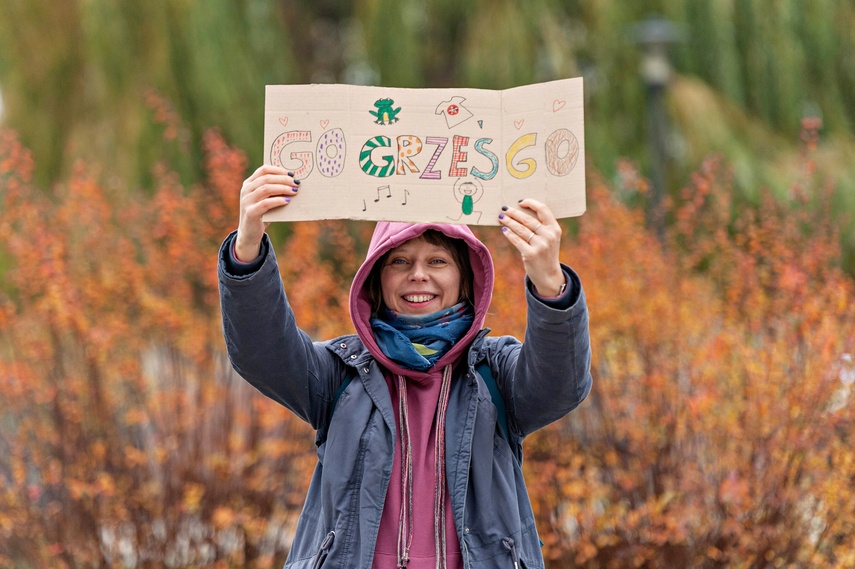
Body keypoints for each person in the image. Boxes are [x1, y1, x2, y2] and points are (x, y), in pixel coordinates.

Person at [218, 165, 592, 569]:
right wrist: (248, 246)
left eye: (437, 261)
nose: (418, 275)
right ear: (376, 280)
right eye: (399, 261)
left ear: (466, 279)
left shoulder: (495, 371)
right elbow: (262, 353)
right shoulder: (340, 372)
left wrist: (550, 283)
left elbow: (561, 384)